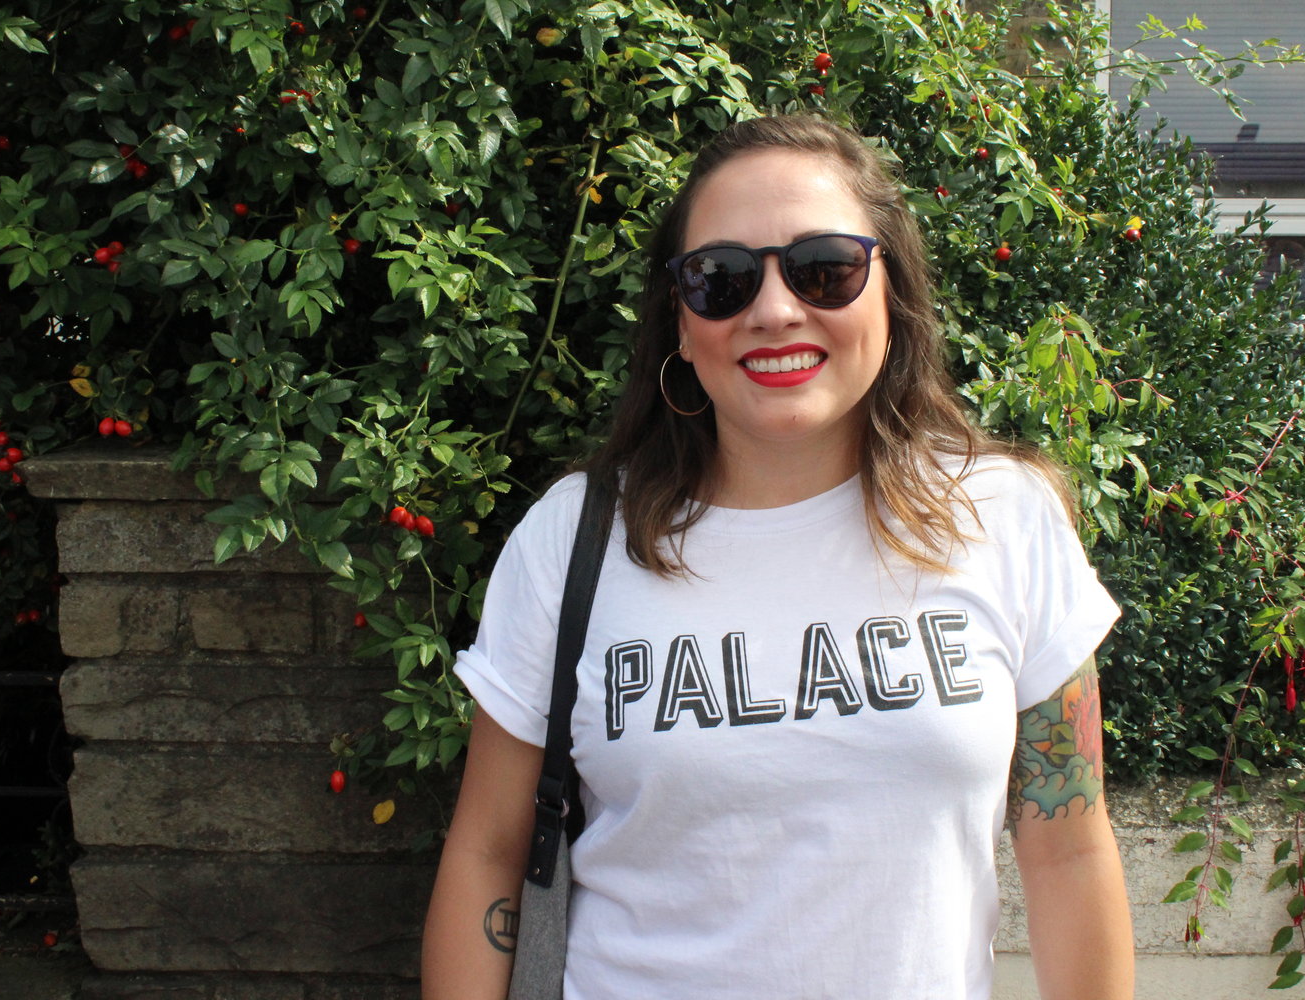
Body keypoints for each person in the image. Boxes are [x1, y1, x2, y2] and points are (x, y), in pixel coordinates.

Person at [422, 114, 1134, 1000]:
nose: (773, 310)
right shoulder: (575, 539)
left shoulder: (1002, 518)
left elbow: (1068, 849)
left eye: (823, 268)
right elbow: (488, 852)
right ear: (681, 323)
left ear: (891, 289)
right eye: (720, 279)